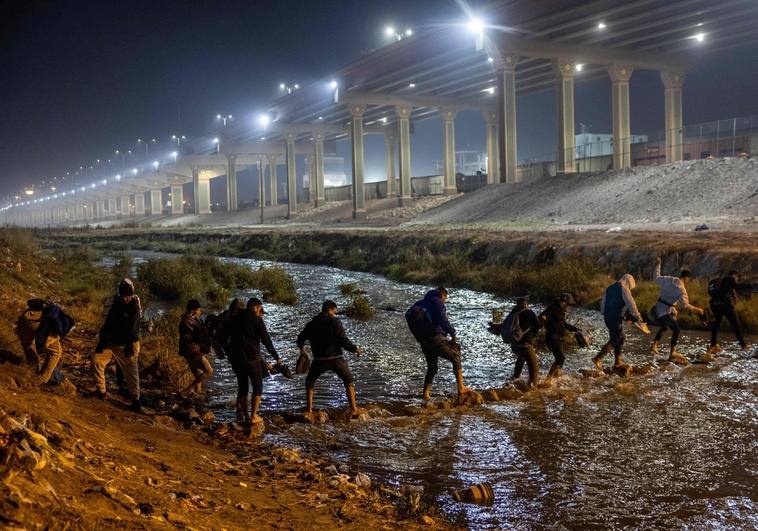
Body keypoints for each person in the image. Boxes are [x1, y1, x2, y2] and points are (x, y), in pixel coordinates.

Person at [296, 300, 364, 417]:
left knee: (309, 383)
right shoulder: (334, 321)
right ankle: (353, 409)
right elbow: (342, 339)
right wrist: (354, 349)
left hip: (319, 360)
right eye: (334, 310)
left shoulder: (312, 323)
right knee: (348, 381)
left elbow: (300, 338)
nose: (335, 313)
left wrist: (302, 350)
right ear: (330, 309)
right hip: (336, 358)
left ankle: (309, 410)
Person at [406, 287, 470, 400]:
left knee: (432, 367)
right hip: (436, 338)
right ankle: (461, 388)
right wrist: (452, 332)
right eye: (446, 298)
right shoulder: (438, 301)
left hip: (424, 341)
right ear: (443, 295)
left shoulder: (421, 303)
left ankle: (425, 394)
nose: (445, 301)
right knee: (455, 357)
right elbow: (442, 319)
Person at [90, 279, 142, 412]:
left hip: (128, 344)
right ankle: (101, 391)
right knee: (96, 361)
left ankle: (136, 401)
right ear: (119, 295)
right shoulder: (116, 303)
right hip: (112, 342)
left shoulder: (134, 307)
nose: (125, 299)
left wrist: (130, 343)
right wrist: (102, 341)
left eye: (127, 296)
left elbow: (133, 329)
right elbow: (108, 323)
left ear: (132, 295)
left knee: (131, 374)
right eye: (122, 296)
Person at [230, 297, 281, 426]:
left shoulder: (236, 318)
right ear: (255, 307)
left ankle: (246, 416)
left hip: (237, 358)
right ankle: (253, 416)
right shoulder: (257, 320)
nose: (260, 311)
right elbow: (267, 341)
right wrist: (276, 357)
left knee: (243, 387)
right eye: (260, 308)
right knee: (258, 387)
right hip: (252, 359)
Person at [649, 257, 704, 365]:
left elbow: (656, 277)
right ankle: (672, 353)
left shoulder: (669, 279)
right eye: (689, 279)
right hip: (664, 311)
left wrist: (658, 264)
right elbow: (685, 305)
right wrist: (697, 309)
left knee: (665, 327)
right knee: (676, 330)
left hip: (657, 308)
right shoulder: (681, 289)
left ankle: (654, 345)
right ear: (687, 278)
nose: (688, 281)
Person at [593, 274, 648, 371]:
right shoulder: (623, 287)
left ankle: (617, 362)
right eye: (631, 287)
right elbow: (631, 303)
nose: (630, 289)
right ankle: (598, 358)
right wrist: (638, 316)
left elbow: (603, 304)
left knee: (621, 338)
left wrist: (605, 314)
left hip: (608, 317)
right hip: (616, 317)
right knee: (616, 339)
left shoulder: (610, 288)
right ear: (629, 282)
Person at [15, 298, 68, 384]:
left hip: (24, 320)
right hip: (39, 324)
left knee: (28, 345)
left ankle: (33, 370)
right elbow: (54, 331)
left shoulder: (31, 311)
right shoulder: (61, 322)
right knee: (56, 352)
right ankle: (42, 379)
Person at [213, 299, 247, 422]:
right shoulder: (234, 319)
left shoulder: (224, 316)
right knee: (243, 379)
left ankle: (239, 404)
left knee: (241, 379)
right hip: (235, 352)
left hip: (229, 352)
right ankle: (240, 407)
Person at [707, 271, 754, 355]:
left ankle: (713, 345)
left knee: (716, 324)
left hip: (715, 304)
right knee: (736, 324)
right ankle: (743, 345)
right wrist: (752, 286)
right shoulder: (730, 278)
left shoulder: (718, 281)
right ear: (735, 275)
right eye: (738, 278)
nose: (737, 280)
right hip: (725, 305)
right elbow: (737, 287)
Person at [538, 293, 579, 380]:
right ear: (563, 302)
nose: (568, 307)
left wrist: (576, 329)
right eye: (568, 304)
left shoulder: (559, 310)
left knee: (560, 359)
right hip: (553, 338)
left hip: (557, 338)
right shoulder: (552, 308)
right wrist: (542, 319)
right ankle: (548, 379)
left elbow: (564, 324)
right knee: (561, 358)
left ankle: (555, 376)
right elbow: (541, 317)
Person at [178, 299, 214, 396]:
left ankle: (197, 397)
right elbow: (198, 333)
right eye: (198, 310)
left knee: (198, 376)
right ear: (193, 310)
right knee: (209, 371)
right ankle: (189, 389)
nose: (200, 312)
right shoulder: (187, 321)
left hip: (191, 351)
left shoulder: (193, 320)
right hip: (192, 351)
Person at [505, 298, 543, 387]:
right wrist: (543, 319)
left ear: (517, 305)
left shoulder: (512, 313)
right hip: (525, 346)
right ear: (526, 305)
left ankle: (515, 378)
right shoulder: (529, 312)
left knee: (521, 358)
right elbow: (539, 326)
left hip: (514, 345)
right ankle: (532, 388)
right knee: (534, 367)